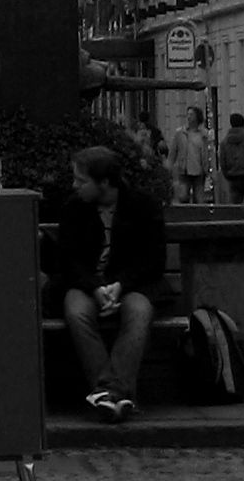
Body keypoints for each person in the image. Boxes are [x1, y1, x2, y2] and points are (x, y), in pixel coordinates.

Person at [53, 145, 169, 423]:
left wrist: (120, 285)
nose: (74, 185)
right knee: (77, 312)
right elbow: (68, 260)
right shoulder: (73, 209)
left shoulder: (142, 206)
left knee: (139, 312)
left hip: (132, 286)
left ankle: (106, 393)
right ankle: (116, 393)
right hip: (85, 286)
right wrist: (94, 286)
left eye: (81, 180)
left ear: (104, 183)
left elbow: (152, 259)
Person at [168, 107, 209, 204]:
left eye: (191, 114)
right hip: (184, 170)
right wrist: (169, 166)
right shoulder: (180, 133)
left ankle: (198, 217)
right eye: (188, 114)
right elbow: (173, 151)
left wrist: (209, 169)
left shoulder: (204, 134)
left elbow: (208, 152)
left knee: (199, 199)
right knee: (183, 197)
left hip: (199, 170)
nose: (189, 117)